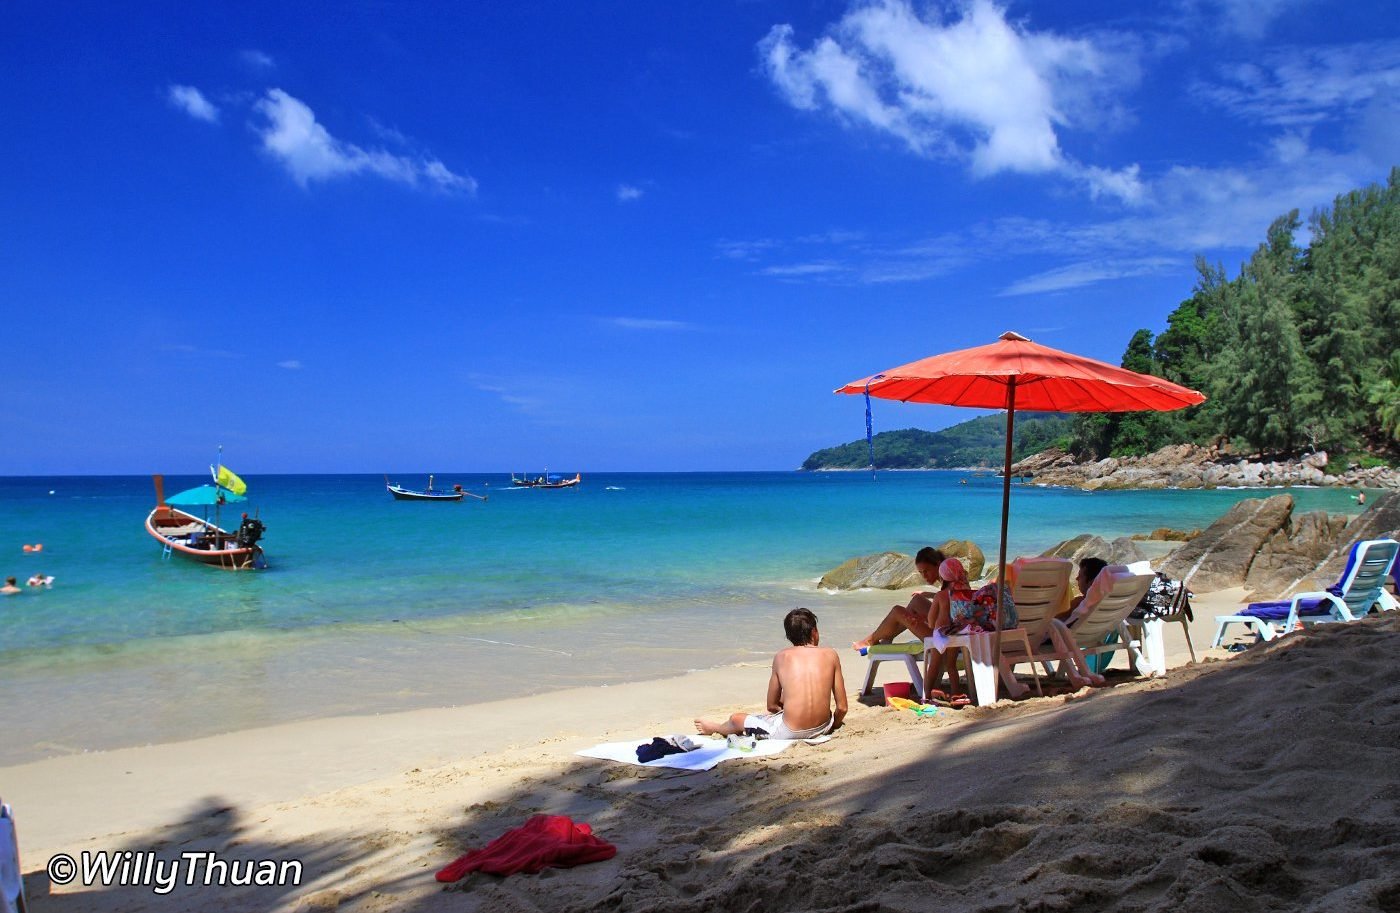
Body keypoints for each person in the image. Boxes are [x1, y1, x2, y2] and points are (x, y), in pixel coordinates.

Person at [696, 608, 847, 740]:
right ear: (814, 632)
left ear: (788, 637)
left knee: (737, 718)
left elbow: (771, 705)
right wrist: (833, 725)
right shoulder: (831, 655)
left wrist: (783, 712)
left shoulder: (782, 657)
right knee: (786, 699)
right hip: (822, 727)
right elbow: (842, 708)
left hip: (789, 732)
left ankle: (715, 728)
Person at [851, 546, 947, 651]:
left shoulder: (947, 581)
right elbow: (949, 598)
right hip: (948, 632)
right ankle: (886, 636)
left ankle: (871, 640)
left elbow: (945, 607)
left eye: (926, 571)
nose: (924, 576)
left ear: (937, 564)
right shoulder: (950, 578)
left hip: (943, 639)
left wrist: (925, 617)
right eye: (921, 573)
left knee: (897, 611)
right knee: (917, 600)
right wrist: (928, 594)